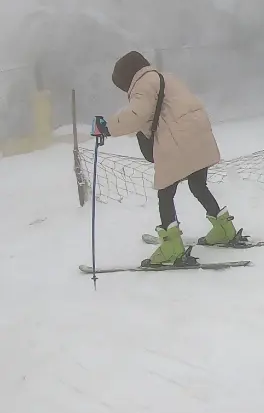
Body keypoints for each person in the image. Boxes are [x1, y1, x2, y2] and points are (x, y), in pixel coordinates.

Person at [89, 51, 239, 267]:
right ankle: (224, 229)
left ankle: (171, 248)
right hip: (199, 135)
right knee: (198, 185)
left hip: (177, 141)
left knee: (165, 193)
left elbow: (136, 115)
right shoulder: (167, 77)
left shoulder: (143, 85)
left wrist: (105, 127)